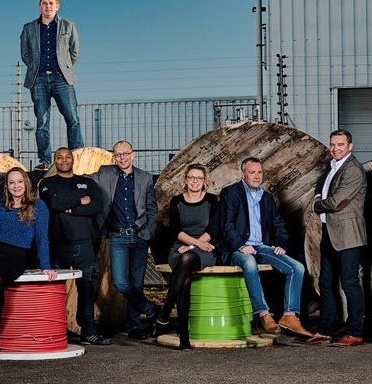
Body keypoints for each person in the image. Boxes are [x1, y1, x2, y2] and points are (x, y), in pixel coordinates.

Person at [0, 167, 53, 361]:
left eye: (20, 182)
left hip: (14, 256)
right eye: (11, 182)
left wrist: (46, 266)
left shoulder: (38, 207)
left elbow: (42, 239)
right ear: (6, 186)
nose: (16, 186)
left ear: (26, 184)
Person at [219, 157, 311, 338]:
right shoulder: (230, 193)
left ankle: (290, 316)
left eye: (259, 172)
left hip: (261, 247)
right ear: (243, 174)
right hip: (235, 249)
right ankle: (264, 314)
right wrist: (240, 245)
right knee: (249, 263)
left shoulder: (267, 197)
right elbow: (226, 225)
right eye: (252, 172)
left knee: (297, 267)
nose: (256, 176)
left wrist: (281, 244)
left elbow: (279, 224)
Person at [38, 147, 109, 345]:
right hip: (57, 245)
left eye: (67, 157)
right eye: (59, 157)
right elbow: (52, 203)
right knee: (54, 290)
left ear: (73, 159)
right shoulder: (47, 183)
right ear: (55, 161)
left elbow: (97, 205)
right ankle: (55, 330)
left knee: (86, 288)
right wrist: (80, 202)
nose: (64, 160)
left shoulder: (87, 182)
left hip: (84, 245)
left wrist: (69, 209)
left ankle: (88, 332)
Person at [91, 141, 158, 339]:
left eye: (125, 154)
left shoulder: (145, 178)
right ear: (114, 157)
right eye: (118, 155)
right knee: (120, 282)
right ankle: (151, 308)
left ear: (133, 155)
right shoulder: (105, 173)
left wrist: (148, 232)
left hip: (139, 235)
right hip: (117, 236)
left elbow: (152, 208)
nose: (122, 158)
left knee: (137, 283)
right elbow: (83, 180)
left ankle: (133, 327)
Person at [308, 130, 366, 347]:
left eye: (340, 144)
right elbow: (320, 187)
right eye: (332, 144)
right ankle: (325, 331)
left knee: (349, 284)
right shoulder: (332, 166)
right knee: (326, 283)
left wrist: (315, 205)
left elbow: (335, 202)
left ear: (350, 146)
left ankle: (355, 332)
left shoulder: (353, 170)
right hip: (330, 232)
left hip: (348, 235)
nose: (335, 148)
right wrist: (318, 196)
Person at [156, 165, 224, 351]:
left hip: (204, 249)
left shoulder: (212, 200)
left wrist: (194, 246)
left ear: (204, 181)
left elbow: (213, 230)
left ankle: (166, 311)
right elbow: (176, 231)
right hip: (180, 247)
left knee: (187, 259)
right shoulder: (177, 201)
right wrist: (191, 244)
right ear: (185, 179)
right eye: (191, 177)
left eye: (199, 178)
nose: (195, 181)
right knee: (184, 279)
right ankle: (183, 334)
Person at [20, 0, 81, 169]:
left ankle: (77, 156)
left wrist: (64, 67)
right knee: (42, 122)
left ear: (57, 6)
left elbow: (74, 52)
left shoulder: (68, 26)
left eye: (51, 3)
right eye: (45, 3)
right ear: (40, 6)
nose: (48, 6)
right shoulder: (29, 28)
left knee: (72, 119)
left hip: (62, 79)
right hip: (38, 79)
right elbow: (25, 54)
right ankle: (45, 161)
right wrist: (36, 67)